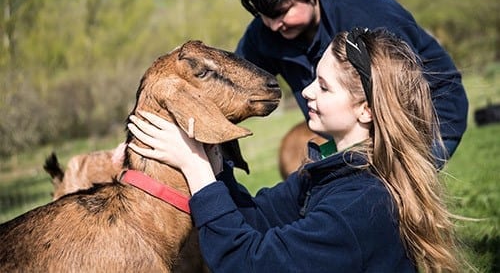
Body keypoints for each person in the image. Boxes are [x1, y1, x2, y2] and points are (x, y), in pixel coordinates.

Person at [127, 28, 463, 272]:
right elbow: (257, 218)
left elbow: (250, 264)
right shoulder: (335, 172)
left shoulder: (360, 205)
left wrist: (196, 169)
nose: (306, 92)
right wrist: (214, 164)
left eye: (324, 87)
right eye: (314, 78)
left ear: (365, 110)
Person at [234, 0, 468, 167]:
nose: (274, 25)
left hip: (423, 120)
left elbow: (402, 101)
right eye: (263, 15)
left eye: (282, 12)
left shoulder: (369, 17)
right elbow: (232, 84)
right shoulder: (264, 33)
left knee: (383, 196)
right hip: (355, 134)